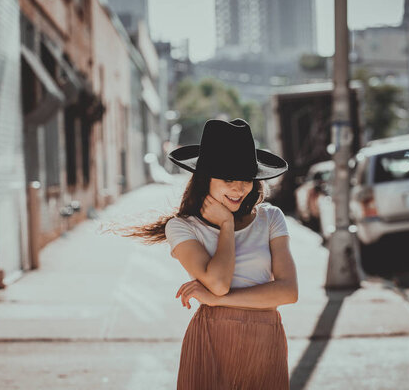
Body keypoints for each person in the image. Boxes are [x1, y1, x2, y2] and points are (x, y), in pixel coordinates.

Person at [123, 118, 298, 390]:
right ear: (206, 178)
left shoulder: (271, 218)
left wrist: (220, 301)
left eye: (246, 179)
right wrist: (226, 225)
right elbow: (218, 283)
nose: (239, 188)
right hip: (212, 339)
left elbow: (288, 292)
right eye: (228, 178)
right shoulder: (181, 227)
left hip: (267, 340)